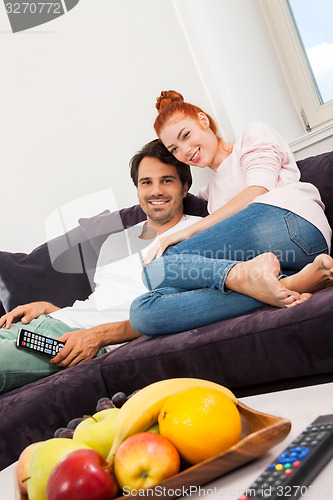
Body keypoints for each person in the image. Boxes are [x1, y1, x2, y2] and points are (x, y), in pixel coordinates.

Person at [0, 139, 203, 394]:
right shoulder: (116, 240)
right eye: (146, 182)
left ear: (185, 187)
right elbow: (102, 303)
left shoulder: (198, 233)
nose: (156, 191)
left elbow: (180, 310)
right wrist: (50, 309)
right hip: (47, 324)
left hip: (75, 341)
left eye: (167, 180)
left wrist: (99, 337)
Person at [129, 90, 333, 336]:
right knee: (143, 313)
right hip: (286, 262)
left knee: (156, 267)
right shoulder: (211, 194)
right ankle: (288, 284)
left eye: (186, 135)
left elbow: (257, 191)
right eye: (174, 149)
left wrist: (185, 232)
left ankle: (254, 280)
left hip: (294, 224)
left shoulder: (251, 136)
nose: (185, 151)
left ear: (203, 121)